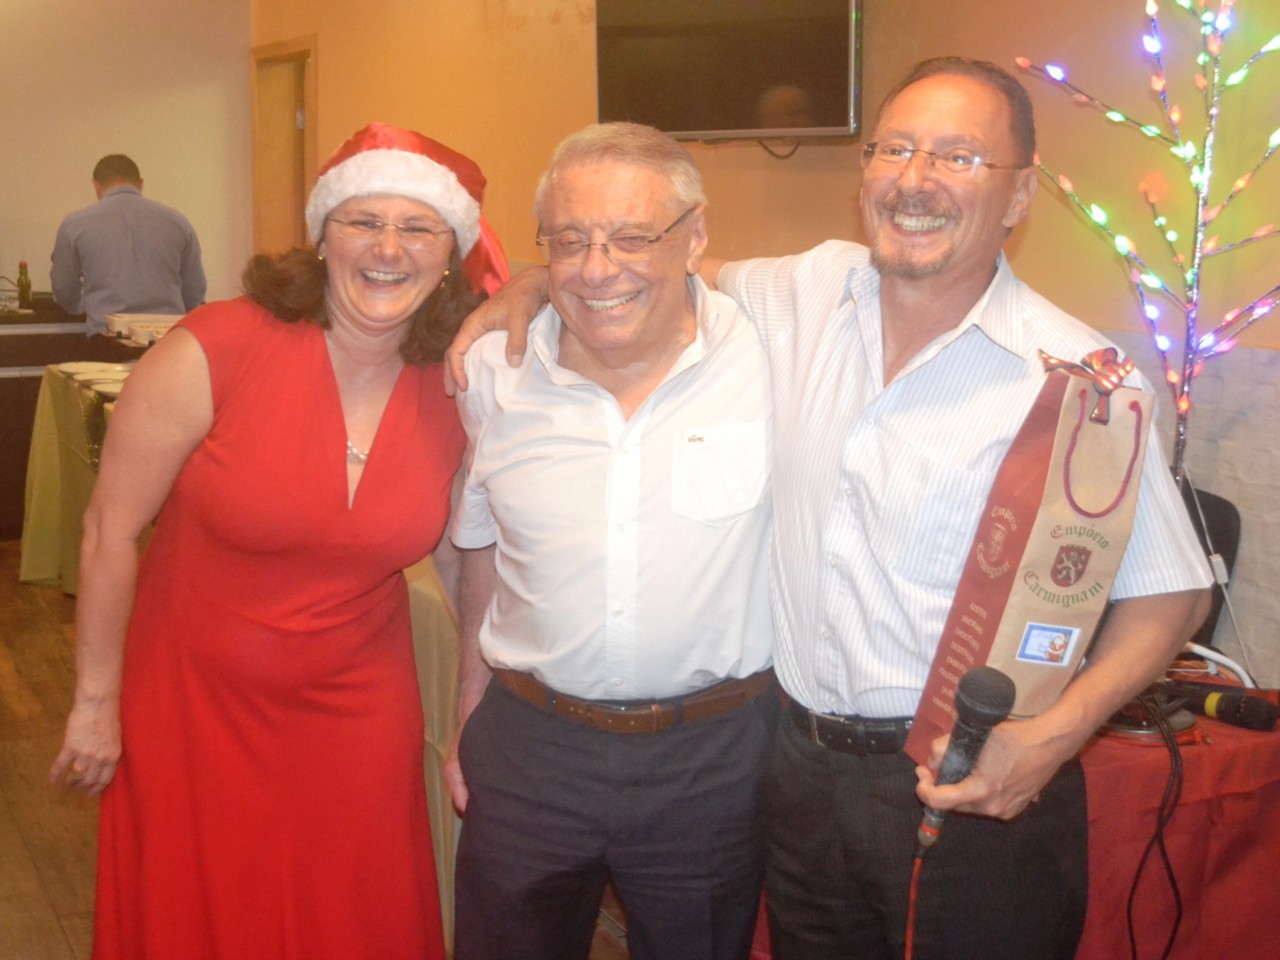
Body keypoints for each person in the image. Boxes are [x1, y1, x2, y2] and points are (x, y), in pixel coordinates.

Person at [444, 59, 1214, 960]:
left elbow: (1172, 593)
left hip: (964, 775)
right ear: (866, 174)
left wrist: (1053, 738)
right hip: (798, 775)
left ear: (1018, 195)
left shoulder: (1075, 378)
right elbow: (638, 266)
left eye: (960, 157)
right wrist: (537, 282)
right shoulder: (803, 295)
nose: (917, 179)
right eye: (896, 148)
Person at [48, 122, 508, 960]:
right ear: (323, 235)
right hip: (192, 706)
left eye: (418, 228)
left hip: (358, 716)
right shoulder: (216, 346)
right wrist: (94, 702)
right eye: (364, 221)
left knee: (350, 918)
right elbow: (108, 529)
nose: (388, 249)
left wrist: (479, 708)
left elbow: (462, 558)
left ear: (452, 254)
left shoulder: (456, 383)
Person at [446, 122, 777, 960]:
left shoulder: (772, 353)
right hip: (529, 747)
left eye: (632, 237)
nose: (597, 269)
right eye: (568, 242)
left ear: (696, 237)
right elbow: (485, 554)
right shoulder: (494, 371)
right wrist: (466, 715)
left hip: (711, 759)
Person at [51, 154, 208, 361]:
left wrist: (80, 307)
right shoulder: (178, 222)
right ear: (141, 184)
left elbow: (63, 287)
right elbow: (194, 291)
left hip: (107, 339)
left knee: (108, 383)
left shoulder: (75, 224)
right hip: (167, 340)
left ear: (96, 185)